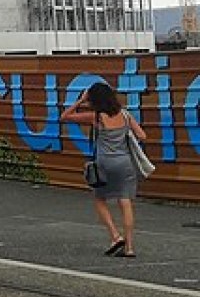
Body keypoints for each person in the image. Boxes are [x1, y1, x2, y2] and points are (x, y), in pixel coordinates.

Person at [61, 82, 147, 258]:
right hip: (125, 163)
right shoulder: (125, 115)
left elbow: (65, 116)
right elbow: (142, 135)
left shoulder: (96, 117)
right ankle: (129, 248)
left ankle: (115, 236)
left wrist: (80, 101)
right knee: (126, 202)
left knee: (100, 199)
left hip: (104, 164)